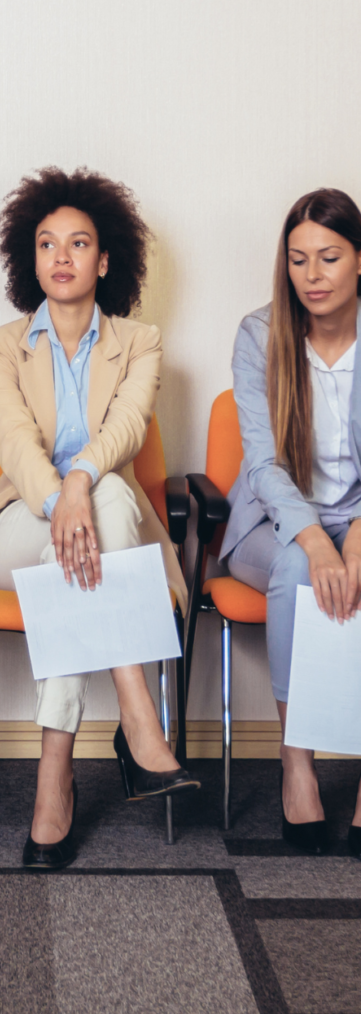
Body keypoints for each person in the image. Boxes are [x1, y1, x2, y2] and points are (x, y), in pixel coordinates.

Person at [0, 167, 196, 871]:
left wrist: (83, 481)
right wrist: (63, 500)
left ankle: (53, 773)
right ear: (30, 260)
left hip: (98, 525)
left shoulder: (139, 342)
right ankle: (135, 709)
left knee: (109, 501)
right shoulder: (2, 344)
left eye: (79, 243)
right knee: (97, 517)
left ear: (105, 259)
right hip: (15, 525)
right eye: (48, 243)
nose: (62, 257)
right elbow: (16, 445)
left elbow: (125, 428)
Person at [220, 188, 361, 858]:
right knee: (298, 570)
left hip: (359, 518)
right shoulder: (260, 334)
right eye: (299, 259)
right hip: (272, 522)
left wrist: (356, 535)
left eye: (329, 258)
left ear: (359, 261)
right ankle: (295, 760)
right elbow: (264, 463)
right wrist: (315, 539)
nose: (313, 275)